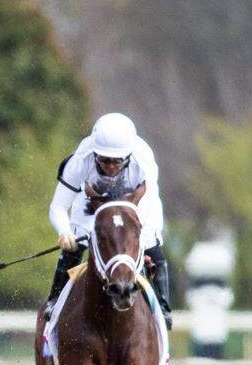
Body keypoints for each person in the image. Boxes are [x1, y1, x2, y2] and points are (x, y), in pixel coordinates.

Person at [45, 112, 171, 329]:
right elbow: (58, 206)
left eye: (117, 161)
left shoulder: (143, 164)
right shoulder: (80, 161)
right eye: (104, 160)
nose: (110, 167)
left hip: (134, 204)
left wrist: (143, 240)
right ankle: (54, 301)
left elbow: (150, 210)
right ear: (95, 154)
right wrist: (64, 231)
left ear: (128, 157)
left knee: (153, 249)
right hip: (90, 201)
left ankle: (163, 308)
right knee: (74, 247)